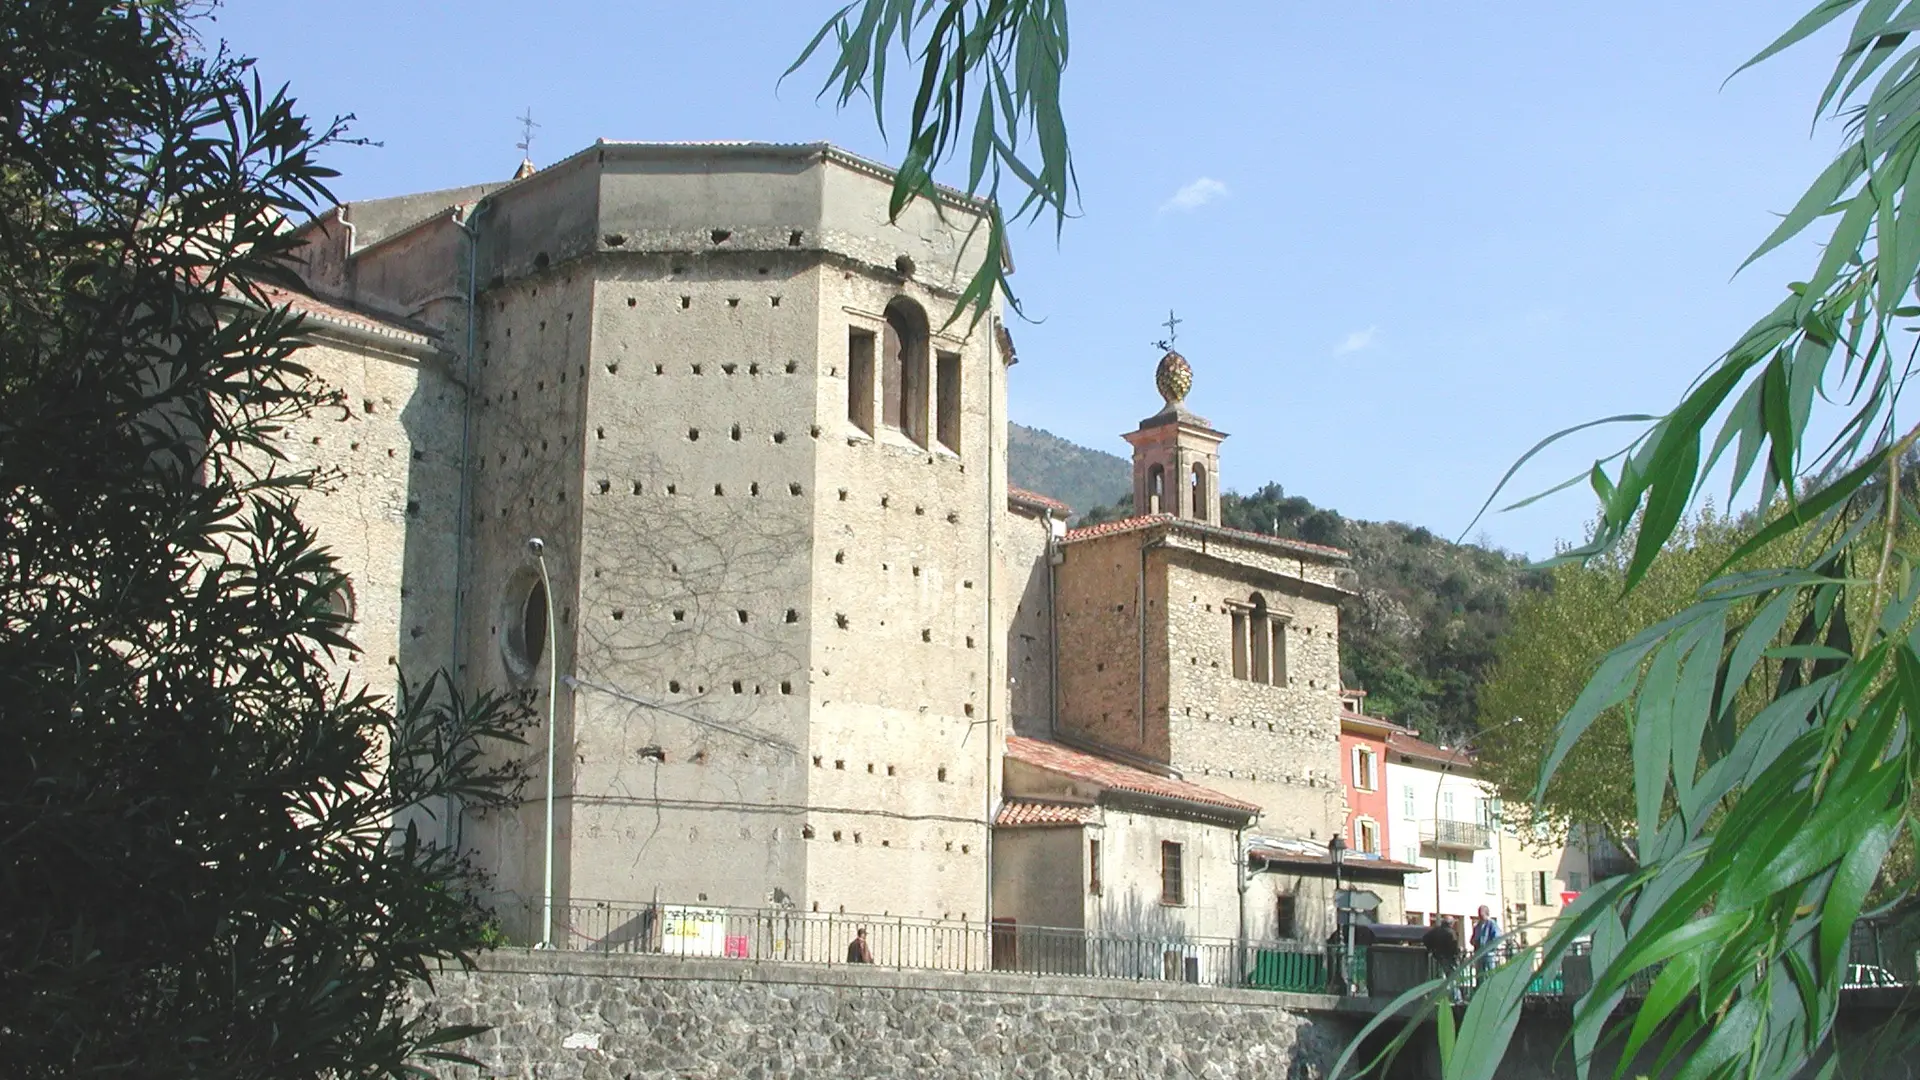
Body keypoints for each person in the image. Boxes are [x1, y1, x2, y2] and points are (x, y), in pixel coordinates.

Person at [1470, 905, 1502, 978]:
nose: (1480, 916)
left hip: (1489, 954)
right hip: (1479, 954)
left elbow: (1497, 937)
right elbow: (1473, 938)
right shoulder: (1477, 926)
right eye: (1479, 914)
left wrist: (1490, 946)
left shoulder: (1492, 923)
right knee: (1480, 975)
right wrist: (1474, 941)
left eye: (1481, 914)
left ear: (1486, 913)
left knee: (1491, 974)